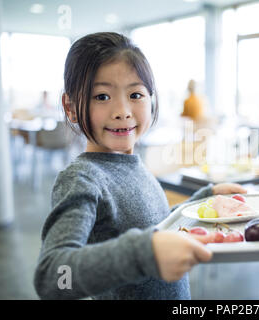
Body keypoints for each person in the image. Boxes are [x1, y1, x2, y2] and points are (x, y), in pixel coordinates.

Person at [33, 32, 246, 300]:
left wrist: (201, 202)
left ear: (151, 98)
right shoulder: (82, 178)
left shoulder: (132, 163)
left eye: (135, 94)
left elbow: (153, 226)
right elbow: (52, 277)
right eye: (101, 96)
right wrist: (144, 253)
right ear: (71, 106)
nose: (123, 110)